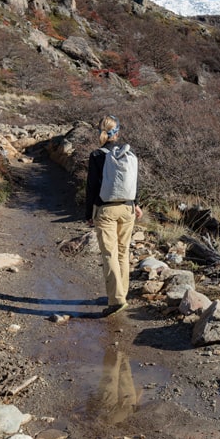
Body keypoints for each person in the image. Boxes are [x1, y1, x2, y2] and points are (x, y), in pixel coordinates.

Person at [85, 115, 143, 317]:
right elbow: (135, 181)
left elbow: (92, 186)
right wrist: (136, 204)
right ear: (117, 132)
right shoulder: (129, 152)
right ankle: (121, 294)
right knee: (122, 252)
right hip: (127, 208)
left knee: (109, 254)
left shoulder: (96, 155)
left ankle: (116, 300)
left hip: (106, 209)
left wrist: (88, 213)